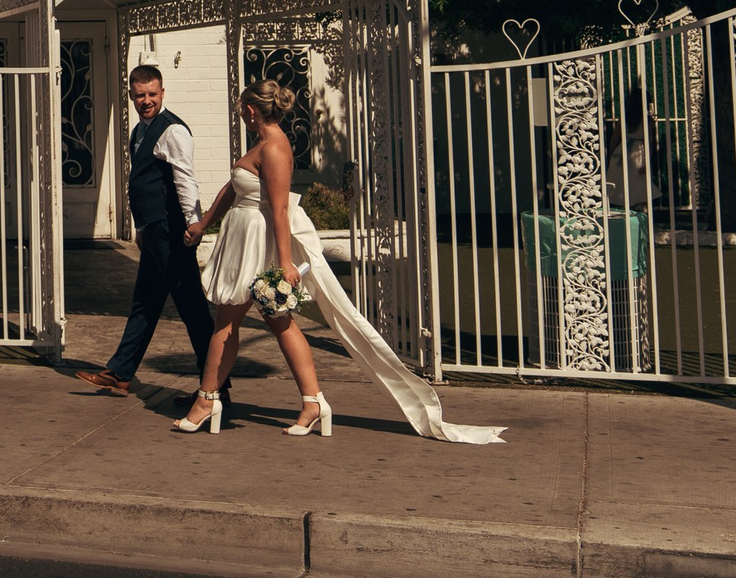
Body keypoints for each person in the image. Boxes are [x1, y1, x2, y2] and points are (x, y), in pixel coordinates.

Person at [171, 77, 505, 445]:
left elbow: (280, 209)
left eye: (241, 109)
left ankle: (208, 400)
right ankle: (311, 402)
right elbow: (233, 189)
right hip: (244, 242)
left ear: (251, 110)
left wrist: (285, 264)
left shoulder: (275, 148)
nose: (241, 115)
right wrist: (203, 224)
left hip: (258, 246)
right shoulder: (262, 143)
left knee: (232, 321)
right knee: (272, 322)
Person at [73, 65, 218, 406]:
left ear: (162, 92)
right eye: (140, 95)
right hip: (153, 232)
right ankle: (121, 372)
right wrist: (141, 228)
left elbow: (185, 179)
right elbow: (142, 183)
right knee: (145, 304)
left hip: (172, 232)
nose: (147, 100)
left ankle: (215, 387)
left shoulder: (173, 131)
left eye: (153, 94)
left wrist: (194, 223)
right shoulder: (140, 130)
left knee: (192, 308)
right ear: (131, 96)